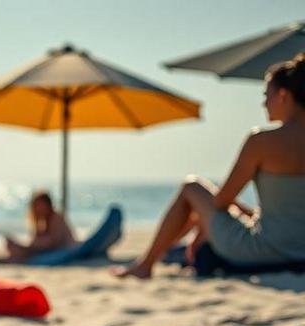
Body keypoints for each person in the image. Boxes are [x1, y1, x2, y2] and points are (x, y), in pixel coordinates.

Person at [113, 53, 305, 279]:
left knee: (191, 186)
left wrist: (229, 214)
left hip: (264, 251)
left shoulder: (261, 141)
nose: (264, 103)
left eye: (266, 95)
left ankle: (145, 265)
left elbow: (221, 201)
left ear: (283, 96)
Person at [0, 190, 77, 263]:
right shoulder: (42, 222)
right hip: (48, 252)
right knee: (13, 245)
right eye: (36, 206)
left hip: (63, 252)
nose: (38, 208)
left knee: (24, 252)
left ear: (48, 205)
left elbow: (53, 243)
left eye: (40, 205)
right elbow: (36, 242)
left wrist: (27, 248)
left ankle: (17, 258)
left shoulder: (56, 218)